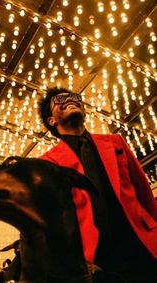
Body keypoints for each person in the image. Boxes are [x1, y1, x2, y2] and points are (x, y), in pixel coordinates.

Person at [38, 87, 157, 283]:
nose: (71, 100)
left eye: (75, 97)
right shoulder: (47, 162)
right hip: (98, 257)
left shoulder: (115, 142)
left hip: (141, 241)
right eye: (60, 99)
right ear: (51, 120)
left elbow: (143, 190)